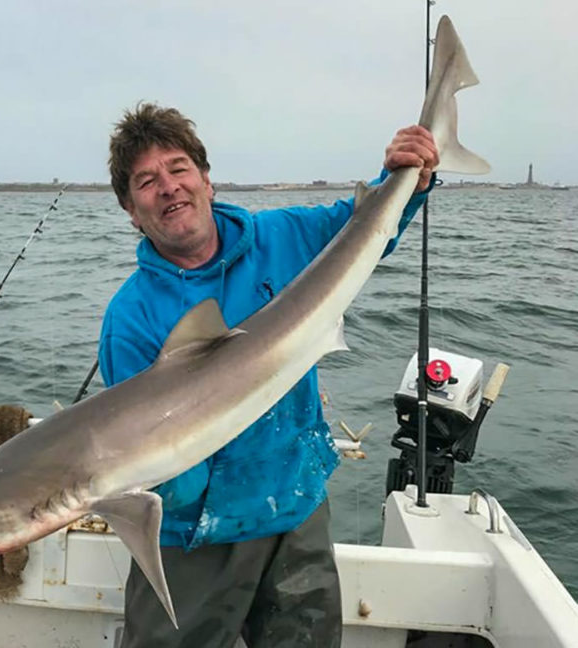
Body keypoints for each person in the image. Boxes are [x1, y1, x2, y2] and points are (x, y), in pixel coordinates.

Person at [98, 103, 439, 648]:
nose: (168, 187)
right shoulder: (131, 318)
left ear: (207, 181)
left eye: (179, 168)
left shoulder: (287, 237)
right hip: (194, 539)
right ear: (130, 210)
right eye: (146, 181)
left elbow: (371, 230)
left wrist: (406, 178)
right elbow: (144, 465)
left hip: (293, 504)